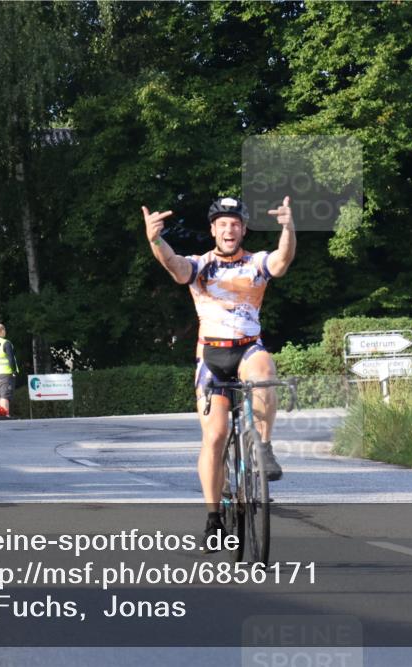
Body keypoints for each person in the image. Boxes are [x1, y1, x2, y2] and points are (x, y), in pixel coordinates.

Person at [142, 195, 296, 551]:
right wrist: (155, 239)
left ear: (243, 230)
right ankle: (213, 517)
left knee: (264, 365)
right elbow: (175, 267)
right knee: (215, 437)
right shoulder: (200, 265)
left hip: (247, 348)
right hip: (211, 356)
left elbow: (283, 259)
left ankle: (264, 449)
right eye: (222, 224)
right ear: (213, 230)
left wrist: (288, 228)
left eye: (235, 224)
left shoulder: (255, 263)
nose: (229, 229)